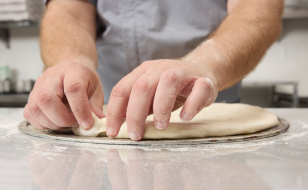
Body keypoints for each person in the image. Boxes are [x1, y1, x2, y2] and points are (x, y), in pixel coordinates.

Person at [23, 0, 283, 141]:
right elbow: (70, 10)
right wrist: (71, 60)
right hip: (103, 115)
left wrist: (204, 64)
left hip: (211, 113)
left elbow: (256, 11)